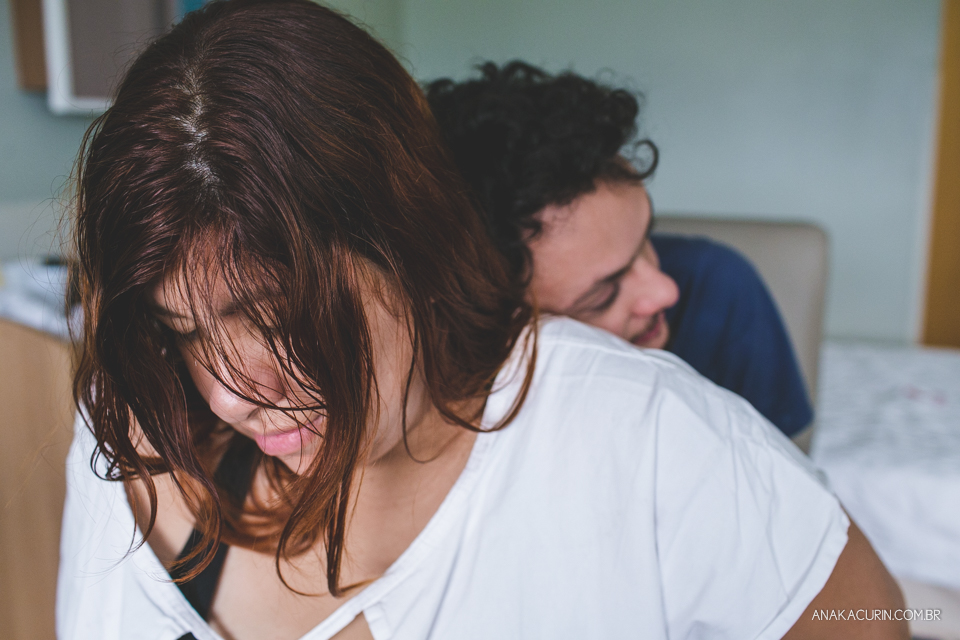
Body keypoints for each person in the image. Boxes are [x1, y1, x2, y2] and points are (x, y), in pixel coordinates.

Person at [58, 1, 906, 638]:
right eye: (185, 332)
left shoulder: (647, 434)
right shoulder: (133, 445)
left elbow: (866, 619)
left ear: (408, 234)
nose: (229, 395)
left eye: (279, 319)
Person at [426, 62, 813, 439]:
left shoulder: (717, 287)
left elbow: (788, 473)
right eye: (605, 294)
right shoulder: (450, 393)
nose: (665, 290)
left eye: (646, 239)